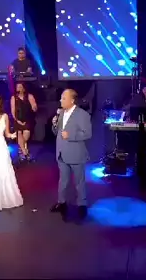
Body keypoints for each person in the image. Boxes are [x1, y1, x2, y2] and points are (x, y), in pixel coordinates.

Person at [51, 89, 93, 221]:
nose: (61, 100)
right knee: (63, 181)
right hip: (61, 153)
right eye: (61, 98)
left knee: (79, 182)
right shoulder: (61, 113)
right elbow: (57, 132)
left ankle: (82, 205)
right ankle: (61, 203)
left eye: (63, 98)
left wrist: (71, 135)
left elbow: (87, 134)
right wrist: (54, 125)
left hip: (76, 154)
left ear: (72, 100)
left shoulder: (82, 115)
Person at [10, 82, 38, 161]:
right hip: (17, 119)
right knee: (19, 133)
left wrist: (34, 107)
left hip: (27, 119)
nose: (18, 89)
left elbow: (34, 107)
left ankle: (21, 150)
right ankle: (25, 153)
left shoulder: (29, 96)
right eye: (17, 87)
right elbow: (13, 110)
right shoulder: (14, 98)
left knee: (26, 136)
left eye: (20, 87)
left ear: (24, 88)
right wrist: (17, 120)